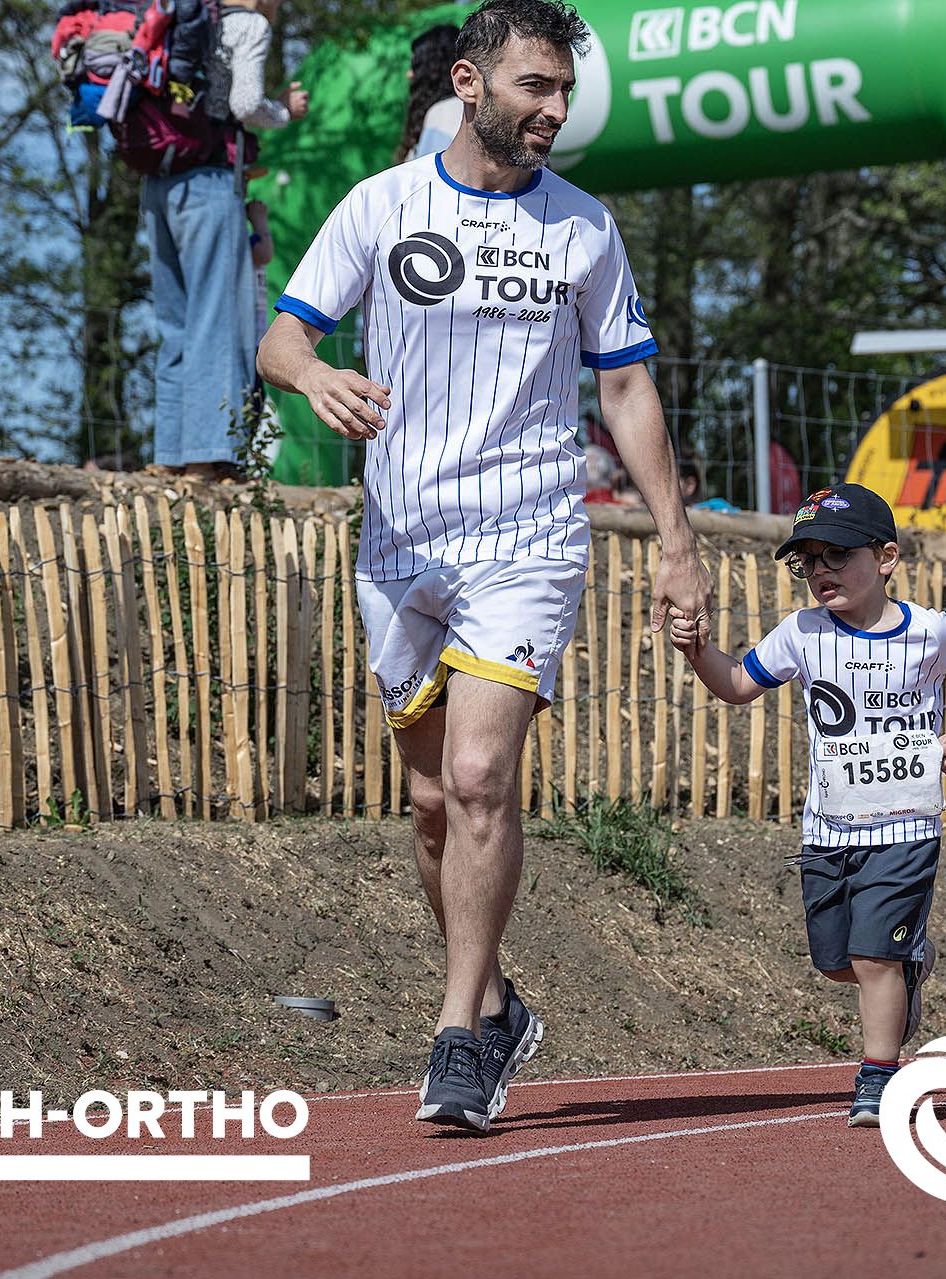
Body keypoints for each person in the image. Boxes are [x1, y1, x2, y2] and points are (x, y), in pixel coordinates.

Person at [257, 0, 714, 1133]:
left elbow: (626, 386)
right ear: (469, 83)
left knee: (476, 776)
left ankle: (457, 1032)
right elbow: (282, 337)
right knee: (428, 806)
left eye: (565, 91)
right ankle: (501, 1000)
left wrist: (677, 540)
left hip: (528, 540)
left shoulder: (585, 228)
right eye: (534, 87)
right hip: (398, 543)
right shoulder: (380, 205)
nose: (555, 110)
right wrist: (314, 377)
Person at [669, 484, 946, 1126]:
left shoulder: (929, 630)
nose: (822, 570)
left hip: (907, 826)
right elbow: (738, 685)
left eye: (839, 555)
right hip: (827, 831)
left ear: (886, 557)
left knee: (873, 959)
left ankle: (878, 1076)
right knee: (838, 962)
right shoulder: (802, 633)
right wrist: (697, 650)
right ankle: (909, 966)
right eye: (809, 559)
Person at [146, 0, 306, 478]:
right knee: (215, 320)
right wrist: (284, 111)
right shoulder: (247, 24)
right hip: (211, 180)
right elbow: (245, 104)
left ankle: (170, 458)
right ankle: (207, 461)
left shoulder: (182, 20)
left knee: (175, 322)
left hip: (158, 179)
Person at [395, 23, 460, 164]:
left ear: (433, 70)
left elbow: (431, 175)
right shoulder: (456, 109)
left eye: (415, 66)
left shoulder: (444, 112)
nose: (409, 74)